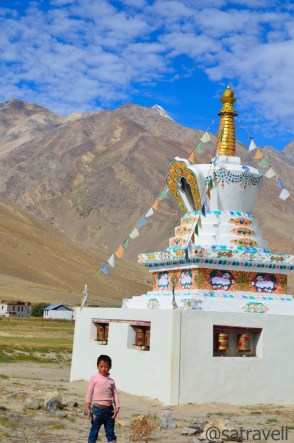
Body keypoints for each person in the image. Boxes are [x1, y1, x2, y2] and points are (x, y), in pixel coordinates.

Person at [86, 355, 120, 443]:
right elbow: (89, 392)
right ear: (97, 366)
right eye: (101, 366)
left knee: (110, 432)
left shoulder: (111, 381)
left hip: (110, 411)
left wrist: (117, 407)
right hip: (97, 410)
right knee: (94, 432)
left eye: (106, 367)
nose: (104, 369)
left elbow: (115, 394)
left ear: (110, 367)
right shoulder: (94, 379)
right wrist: (88, 406)